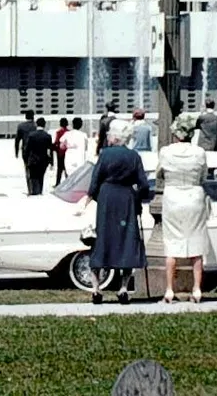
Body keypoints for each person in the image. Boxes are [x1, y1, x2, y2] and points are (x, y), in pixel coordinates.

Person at [88, 126, 151, 304]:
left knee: (103, 240)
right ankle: (123, 288)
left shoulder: (105, 154)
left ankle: (96, 288)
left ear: (114, 138)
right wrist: (137, 197)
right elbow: (143, 184)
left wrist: (94, 196)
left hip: (107, 198)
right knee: (127, 240)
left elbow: (95, 180)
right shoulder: (134, 156)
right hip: (126, 199)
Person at [156, 112, 211, 304]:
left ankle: (170, 290)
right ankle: (196, 289)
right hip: (194, 196)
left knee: (172, 244)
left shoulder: (165, 151)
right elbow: (204, 176)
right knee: (196, 243)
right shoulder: (199, 153)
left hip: (172, 197)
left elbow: (160, 173)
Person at [22, 118, 54, 196]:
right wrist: (51, 162)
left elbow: (27, 149)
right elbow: (50, 150)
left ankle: (34, 192)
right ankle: (39, 191)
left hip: (33, 159)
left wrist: (26, 159)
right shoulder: (48, 136)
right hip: (43, 159)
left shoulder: (31, 135)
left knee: (33, 176)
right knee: (41, 176)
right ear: (44, 125)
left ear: (36, 124)